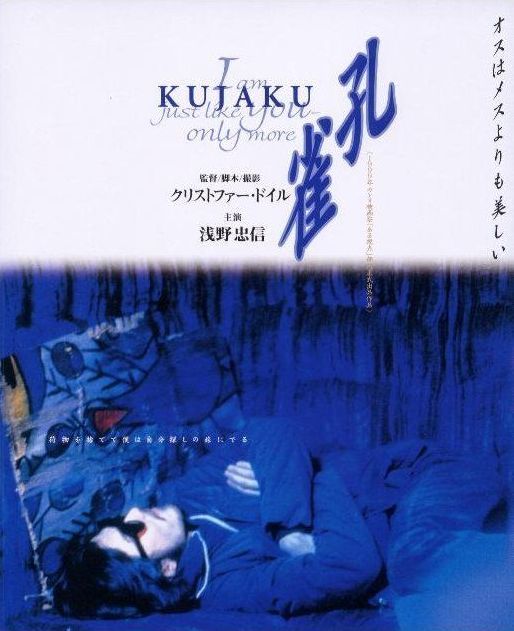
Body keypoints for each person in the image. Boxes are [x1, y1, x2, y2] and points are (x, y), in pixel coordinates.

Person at [54, 419, 504, 618]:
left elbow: (270, 430)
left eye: (121, 516)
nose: (135, 511)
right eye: (132, 531)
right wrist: (300, 477)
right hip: (400, 533)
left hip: (421, 475)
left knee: (416, 560)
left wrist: (289, 525)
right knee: (418, 583)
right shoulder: (228, 587)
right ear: (164, 570)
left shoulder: (189, 492)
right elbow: (351, 566)